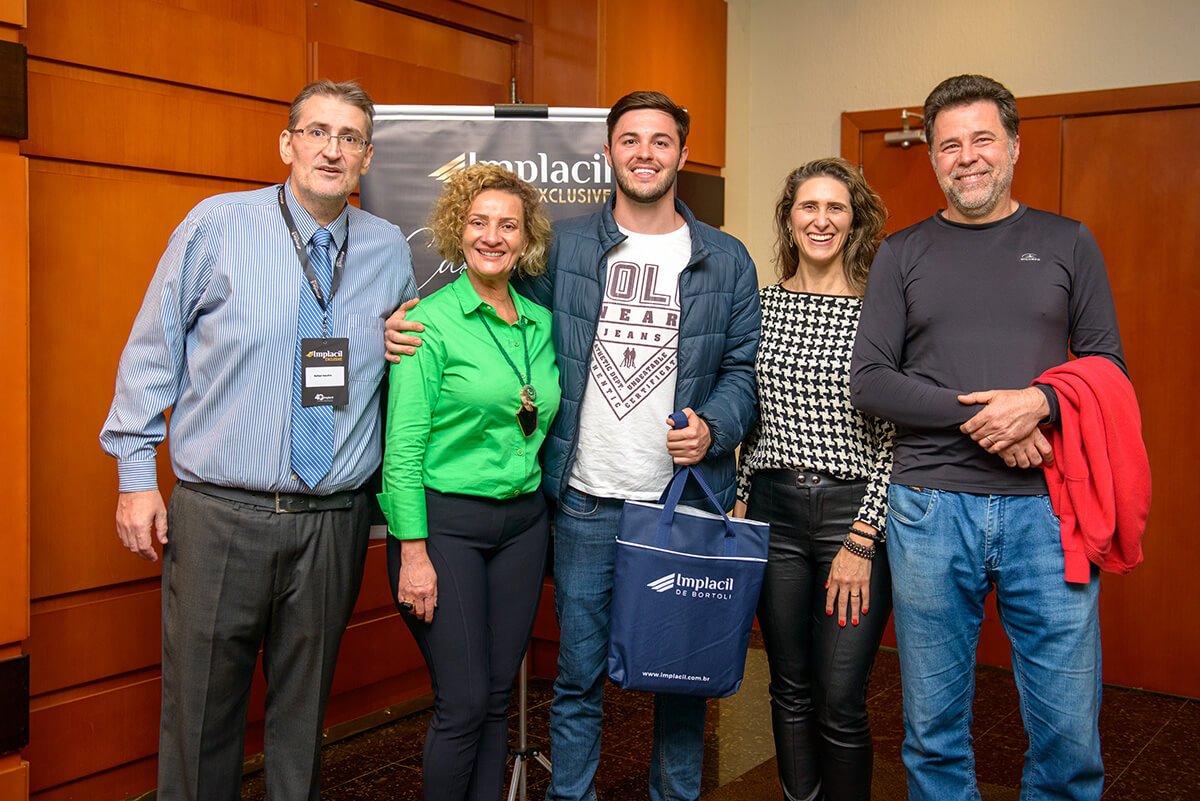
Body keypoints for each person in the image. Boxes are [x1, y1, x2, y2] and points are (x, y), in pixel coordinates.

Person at [386, 90, 760, 801]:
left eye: (660, 140)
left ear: (682, 152)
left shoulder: (727, 258)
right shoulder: (564, 247)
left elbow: (744, 370)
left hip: (683, 502)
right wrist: (398, 329)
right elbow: (489, 307)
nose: (645, 153)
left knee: (681, 679)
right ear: (608, 150)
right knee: (578, 677)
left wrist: (715, 424)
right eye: (630, 139)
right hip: (586, 502)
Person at [99, 80, 417, 801]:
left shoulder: (387, 248)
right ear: (287, 144)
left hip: (333, 522)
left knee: (303, 723)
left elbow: (399, 369)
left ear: (367, 157)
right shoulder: (217, 225)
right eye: (317, 132)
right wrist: (135, 475)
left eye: (350, 138)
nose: (331, 150)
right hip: (221, 517)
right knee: (200, 717)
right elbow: (152, 353)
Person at [850, 74, 1125, 801]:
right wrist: (992, 420)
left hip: (1048, 510)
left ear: (1014, 147)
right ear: (932, 158)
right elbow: (870, 381)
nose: (966, 157)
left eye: (982, 140)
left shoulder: (1068, 242)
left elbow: (1107, 365)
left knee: (1069, 736)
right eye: (949, 145)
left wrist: (1038, 402)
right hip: (929, 509)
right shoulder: (901, 252)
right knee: (933, 733)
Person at [378, 163, 559, 801]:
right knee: (461, 703)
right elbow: (402, 448)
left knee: (495, 698)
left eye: (508, 225)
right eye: (479, 222)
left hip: (523, 526)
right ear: (459, 230)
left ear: (525, 238)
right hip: (443, 526)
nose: (492, 236)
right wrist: (413, 552)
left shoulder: (541, 324)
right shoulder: (426, 323)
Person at [734, 158, 895, 801]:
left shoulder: (882, 310)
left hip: (850, 515)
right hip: (771, 511)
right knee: (789, 687)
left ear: (855, 222)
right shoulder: (761, 306)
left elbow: (897, 436)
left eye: (836, 208)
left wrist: (864, 536)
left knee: (840, 695)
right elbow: (752, 416)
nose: (821, 220)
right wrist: (741, 498)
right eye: (809, 206)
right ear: (789, 218)